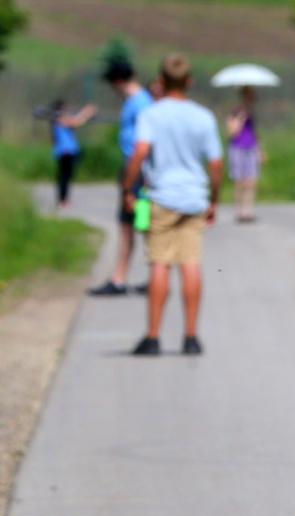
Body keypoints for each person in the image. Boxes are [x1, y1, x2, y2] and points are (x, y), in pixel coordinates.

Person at [124, 54, 224, 357]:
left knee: (160, 264)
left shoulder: (152, 115)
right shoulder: (203, 117)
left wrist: (129, 187)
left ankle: (153, 336)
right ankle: (191, 336)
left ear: (161, 81)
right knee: (191, 264)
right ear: (190, 81)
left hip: (162, 196)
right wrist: (214, 198)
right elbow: (216, 164)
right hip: (194, 198)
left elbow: (141, 152)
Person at [89, 59, 154, 297]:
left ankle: (144, 276)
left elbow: (146, 142)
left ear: (117, 81)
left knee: (141, 222)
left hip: (137, 169)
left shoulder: (140, 103)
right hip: (133, 167)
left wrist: (141, 174)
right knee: (129, 223)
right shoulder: (137, 101)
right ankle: (124, 276)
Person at [48, 99, 97, 209]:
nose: (67, 110)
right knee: (64, 177)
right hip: (65, 152)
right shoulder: (59, 119)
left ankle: (64, 199)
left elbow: (75, 120)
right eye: (65, 108)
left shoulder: (62, 119)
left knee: (67, 177)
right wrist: (86, 113)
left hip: (70, 152)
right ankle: (62, 200)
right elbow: (75, 122)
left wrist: (84, 114)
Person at [226, 86, 263, 223]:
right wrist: (240, 119)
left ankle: (248, 210)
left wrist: (260, 150)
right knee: (239, 181)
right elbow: (232, 132)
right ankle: (239, 210)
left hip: (251, 147)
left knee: (251, 181)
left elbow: (255, 133)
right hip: (238, 148)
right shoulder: (235, 111)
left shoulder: (252, 113)